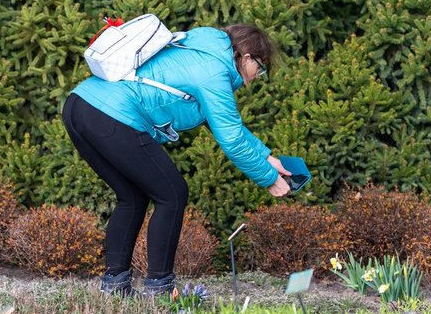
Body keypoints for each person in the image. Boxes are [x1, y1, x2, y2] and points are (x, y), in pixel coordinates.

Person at [62, 23, 292, 297]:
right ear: (246, 57)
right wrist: (269, 179)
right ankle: (159, 288)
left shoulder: (199, 50)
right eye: (260, 68)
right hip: (112, 114)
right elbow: (231, 138)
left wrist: (268, 159)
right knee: (172, 194)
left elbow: (228, 127)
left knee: (132, 197)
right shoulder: (214, 73)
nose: (256, 76)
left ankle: (115, 286)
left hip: (79, 105)